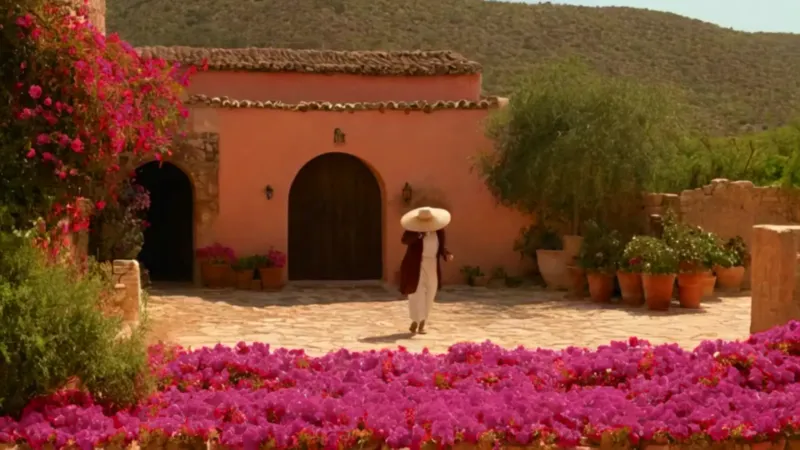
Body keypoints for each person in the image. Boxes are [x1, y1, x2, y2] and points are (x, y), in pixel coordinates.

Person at [398, 206, 454, 334]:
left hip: (432, 263)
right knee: (416, 292)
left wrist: (447, 254)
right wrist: (419, 235)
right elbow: (404, 240)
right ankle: (416, 320)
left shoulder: (439, 231)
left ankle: (423, 319)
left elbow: (441, 247)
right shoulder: (413, 230)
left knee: (431, 291)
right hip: (416, 264)